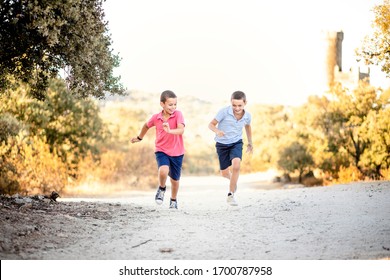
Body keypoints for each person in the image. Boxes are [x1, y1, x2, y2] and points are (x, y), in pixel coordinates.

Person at [131, 90, 185, 209]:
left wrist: (170, 131)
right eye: (170, 104)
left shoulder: (178, 115)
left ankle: (173, 200)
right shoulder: (156, 118)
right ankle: (161, 188)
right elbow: (146, 126)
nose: (173, 107)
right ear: (162, 104)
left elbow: (181, 130)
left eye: (175, 104)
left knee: (175, 180)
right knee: (163, 170)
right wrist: (140, 137)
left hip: (177, 152)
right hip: (161, 150)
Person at [208, 91, 253, 206]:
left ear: (245, 103)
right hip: (222, 144)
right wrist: (217, 131)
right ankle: (233, 182)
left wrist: (250, 142)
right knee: (224, 173)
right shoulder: (224, 112)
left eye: (240, 105)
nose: (237, 108)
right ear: (231, 103)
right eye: (234, 105)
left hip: (236, 143)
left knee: (236, 165)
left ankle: (231, 194)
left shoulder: (247, 116)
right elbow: (211, 124)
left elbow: (247, 127)